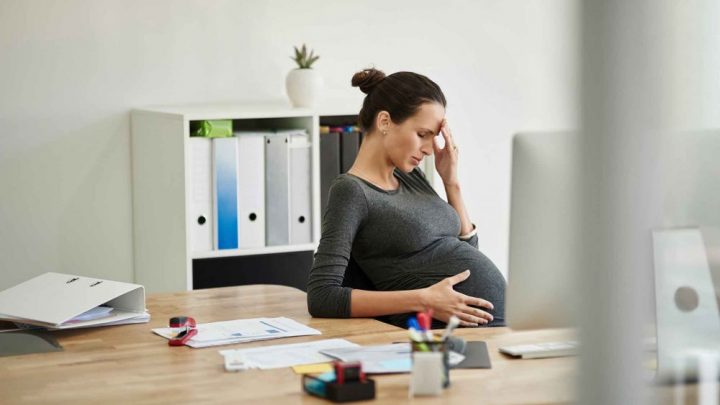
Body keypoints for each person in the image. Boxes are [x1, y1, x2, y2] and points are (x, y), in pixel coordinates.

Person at [306, 68, 506, 328]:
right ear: (385, 122)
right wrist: (423, 300)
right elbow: (322, 296)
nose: (428, 150)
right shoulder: (352, 191)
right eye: (422, 135)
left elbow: (467, 256)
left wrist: (451, 182)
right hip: (438, 340)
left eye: (432, 138)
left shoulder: (412, 177)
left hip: (487, 332)